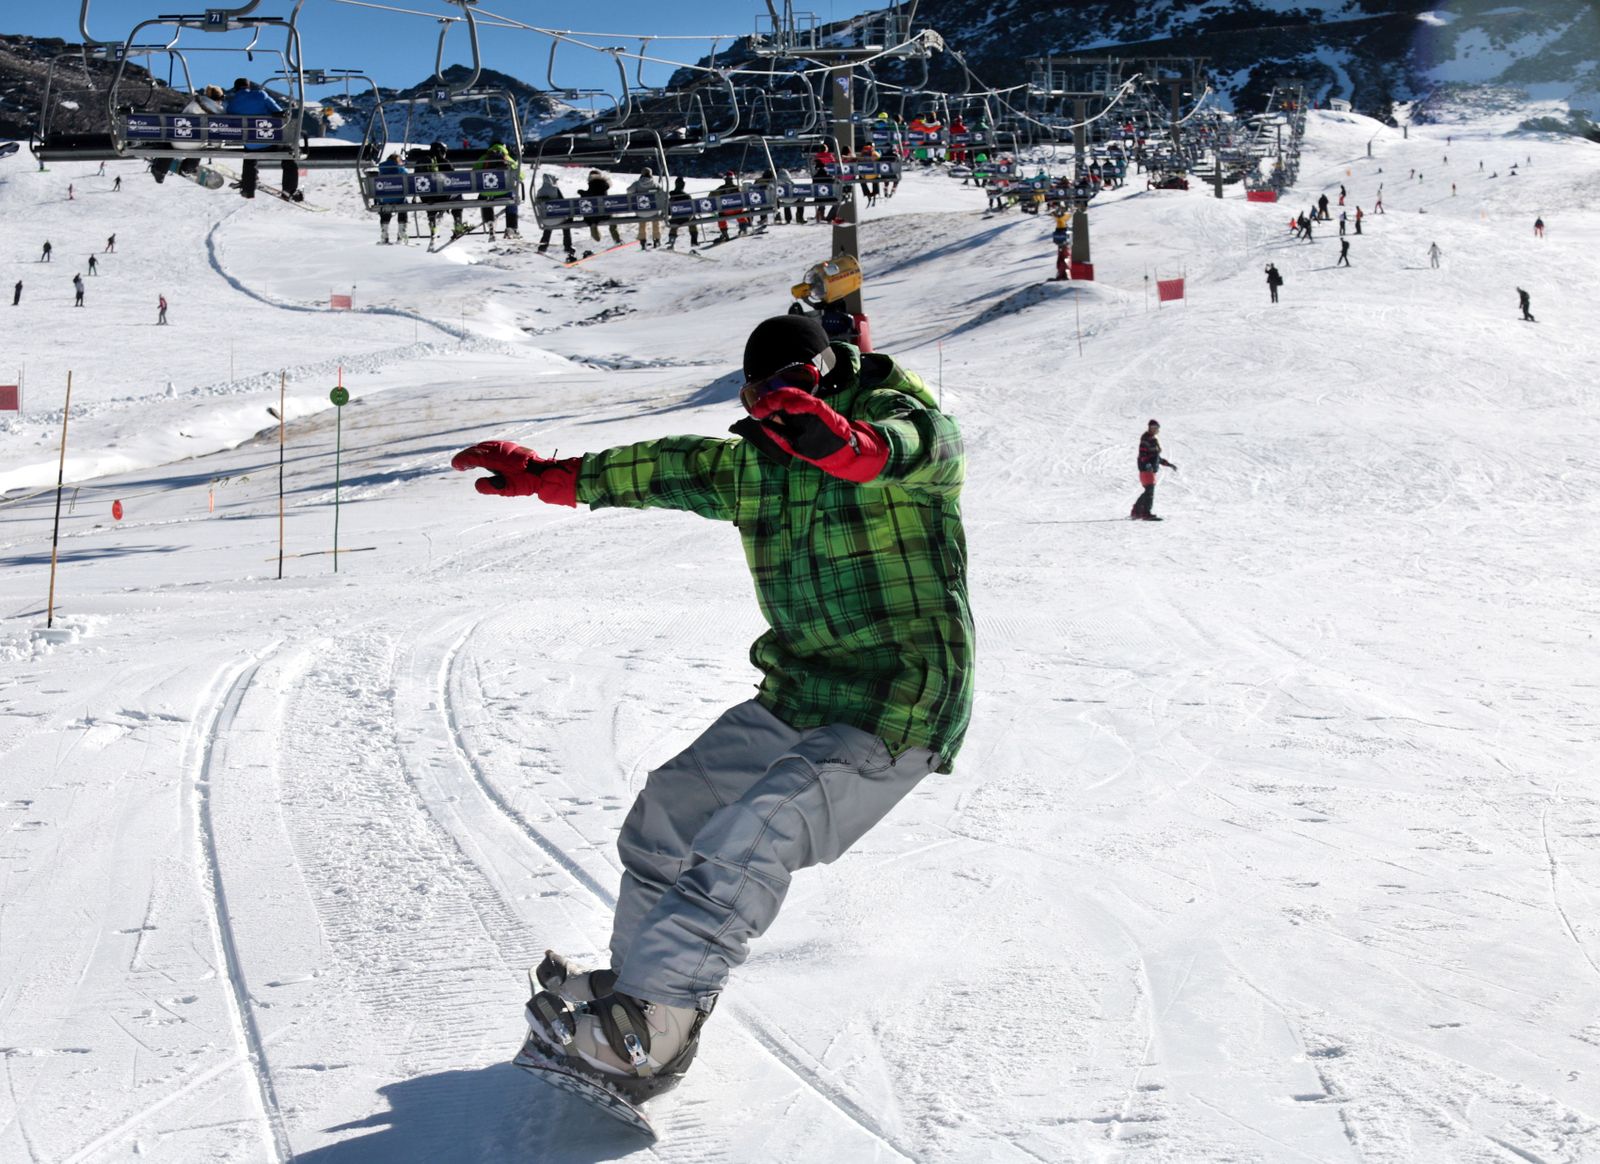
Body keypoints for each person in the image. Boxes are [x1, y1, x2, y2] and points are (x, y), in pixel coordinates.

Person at [452, 313, 971, 1102]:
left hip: (896, 704)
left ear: (831, 376)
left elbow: (900, 448)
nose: (775, 405)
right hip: (801, 692)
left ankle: (651, 1027)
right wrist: (548, 476)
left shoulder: (904, 429)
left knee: (747, 838)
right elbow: (657, 468)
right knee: (668, 814)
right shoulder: (753, 468)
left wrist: (841, 440)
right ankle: (639, 1000)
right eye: (761, 393)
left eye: (792, 388)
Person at [224, 78, 300, 201]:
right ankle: (289, 190)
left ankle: (248, 189)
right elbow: (279, 112)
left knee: (249, 153)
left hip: (251, 146)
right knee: (288, 154)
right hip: (271, 142)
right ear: (248, 86)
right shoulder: (260, 95)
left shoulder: (231, 105)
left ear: (236, 88)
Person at [417, 141, 465, 239]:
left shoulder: (421, 162)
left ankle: (433, 226)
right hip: (443, 197)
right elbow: (453, 178)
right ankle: (458, 225)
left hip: (426, 198)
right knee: (458, 196)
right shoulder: (445, 162)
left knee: (429, 197)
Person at [1130, 419, 1176, 521]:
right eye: (1153, 427)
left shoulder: (1152, 439)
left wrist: (1168, 464)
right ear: (1149, 428)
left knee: (1148, 491)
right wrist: (1147, 465)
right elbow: (1142, 454)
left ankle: (1136, 511)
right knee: (1149, 491)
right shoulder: (1146, 439)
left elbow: (1156, 458)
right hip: (1146, 469)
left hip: (1150, 470)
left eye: (1156, 428)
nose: (1155, 429)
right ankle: (1146, 513)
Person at [476, 140, 520, 239]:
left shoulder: (483, 159)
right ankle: (511, 227)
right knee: (512, 200)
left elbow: (474, 173)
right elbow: (520, 175)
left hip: (486, 192)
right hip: (505, 192)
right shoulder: (507, 158)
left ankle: (490, 221)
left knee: (484, 198)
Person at [534, 173, 576, 260]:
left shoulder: (539, 191)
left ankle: (542, 247)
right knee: (566, 224)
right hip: (557, 218)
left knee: (548, 228)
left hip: (545, 219)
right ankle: (567, 246)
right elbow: (563, 203)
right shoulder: (555, 189)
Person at [375, 153, 410, 244]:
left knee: (385, 205)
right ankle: (401, 234)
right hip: (398, 199)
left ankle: (384, 234)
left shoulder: (381, 168)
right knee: (404, 204)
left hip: (384, 199)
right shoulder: (400, 168)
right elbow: (408, 177)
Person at [582, 169, 623, 247]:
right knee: (612, 219)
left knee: (590, 217)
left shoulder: (591, 185)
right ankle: (617, 239)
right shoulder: (604, 185)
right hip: (605, 214)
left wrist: (581, 192)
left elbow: (588, 196)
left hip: (593, 217)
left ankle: (595, 233)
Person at [628, 167, 663, 249]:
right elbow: (662, 193)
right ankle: (656, 239)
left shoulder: (636, 184)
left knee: (642, 222)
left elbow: (629, 191)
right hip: (653, 211)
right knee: (656, 221)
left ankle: (643, 240)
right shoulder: (655, 184)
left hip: (641, 211)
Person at [665, 176, 700, 249]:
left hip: (675, 219)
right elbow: (692, 209)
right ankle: (694, 241)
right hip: (686, 218)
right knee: (693, 220)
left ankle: (671, 241)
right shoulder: (687, 196)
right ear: (683, 185)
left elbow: (668, 210)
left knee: (674, 223)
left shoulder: (671, 196)